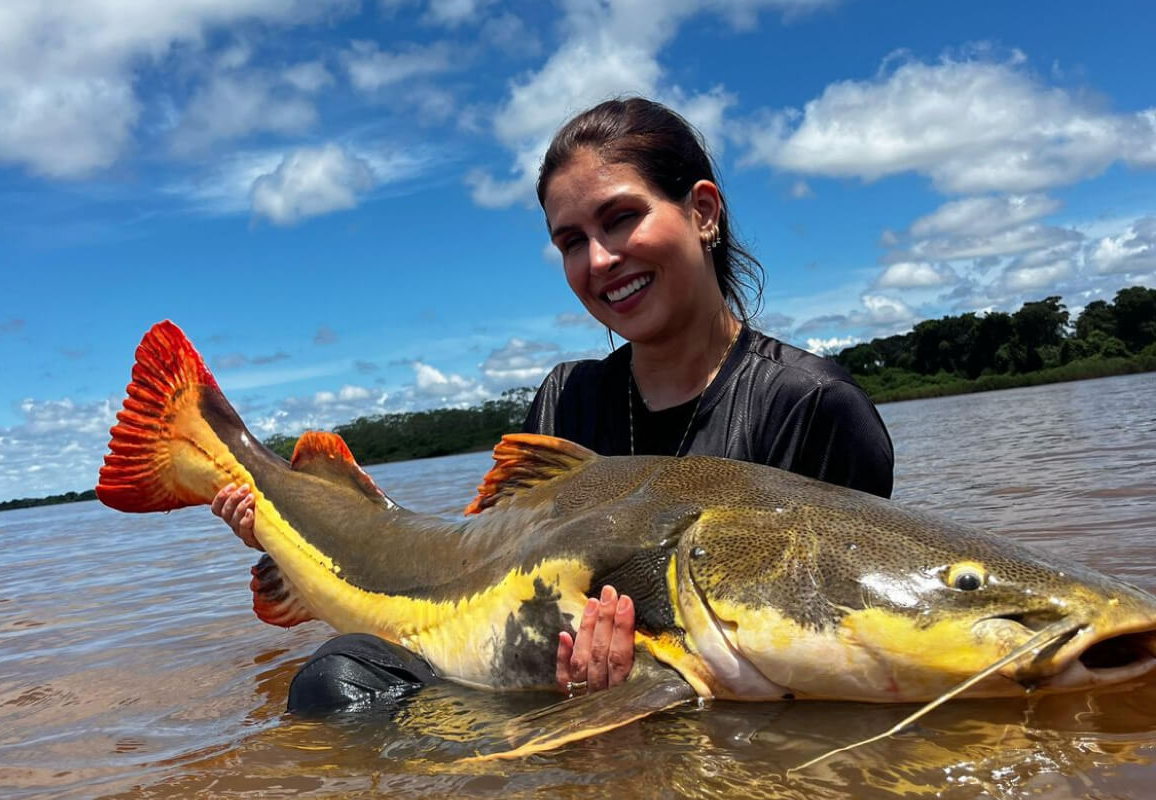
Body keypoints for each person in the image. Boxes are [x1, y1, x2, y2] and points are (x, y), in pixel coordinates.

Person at [212, 97, 894, 712]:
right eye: (571, 242)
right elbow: (476, 555)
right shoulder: (568, 396)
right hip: (526, 677)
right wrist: (279, 527)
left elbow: (849, 637)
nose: (599, 260)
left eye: (621, 218)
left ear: (703, 211)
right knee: (334, 684)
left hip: (712, 702)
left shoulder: (814, 405)